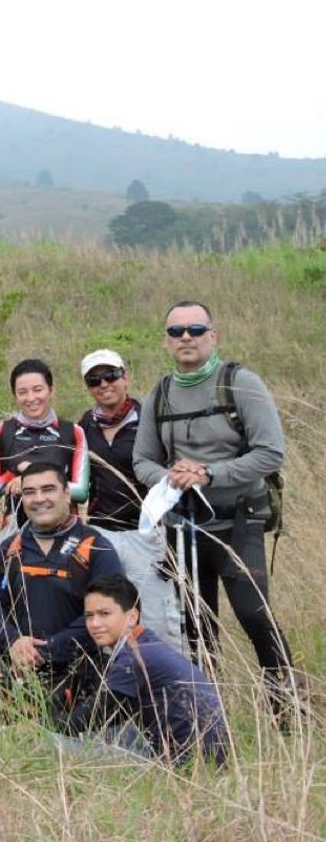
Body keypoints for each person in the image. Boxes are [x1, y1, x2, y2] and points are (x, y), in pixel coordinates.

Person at [132, 300, 299, 718]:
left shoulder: (241, 383)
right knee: (196, 625)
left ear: (213, 336)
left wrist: (208, 473)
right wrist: (172, 477)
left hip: (239, 519)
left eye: (194, 330)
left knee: (253, 614)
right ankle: (208, 713)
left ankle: (287, 708)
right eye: (175, 332)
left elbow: (270, 453)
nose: (185, 338)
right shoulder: (160, 394)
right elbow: (142, 461)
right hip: (184, 527)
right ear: (166, 342)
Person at [0, 462, 123, 708]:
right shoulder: (10, 547)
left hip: (77, 669)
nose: (39, 499)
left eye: (48, 489)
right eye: (29, 492)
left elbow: (108, 614)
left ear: (67, 494)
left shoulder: (96, 546)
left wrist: (48, 651)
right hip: (15, 665)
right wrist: (13, 641)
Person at [68, 575, 228, 766]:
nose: (94, 624)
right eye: (89, 616)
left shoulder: (134, 657)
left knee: (54, 743)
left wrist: (39, 726)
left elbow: (89, 719)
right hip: (208, 758)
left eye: (104, 614)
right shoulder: (147, 643)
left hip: (186, 765)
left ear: (132, 617)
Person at [76, 349, 179, 647]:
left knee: (157, 617)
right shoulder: (85, 425)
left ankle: (167, 681)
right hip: (101, 532)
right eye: (95, 380)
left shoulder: (150, 419)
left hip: (146, 533)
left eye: (111, 376)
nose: (104, 384)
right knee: (107, 615)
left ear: (125, 377)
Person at [0, 358, 89, 526]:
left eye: (38, 390)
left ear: (51, 390)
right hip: (16, 532)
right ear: (15, 395)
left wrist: (27, 476)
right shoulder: (3, 431)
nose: (31, 398)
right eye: (22, 392)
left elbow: (82, 492)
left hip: (65, 529)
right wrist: (15, 477)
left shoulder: (73, 432)